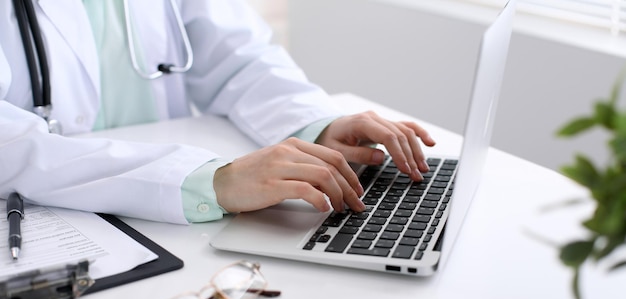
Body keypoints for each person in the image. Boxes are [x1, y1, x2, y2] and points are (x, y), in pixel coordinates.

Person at [0, 0, 435, 224]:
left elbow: (237, 56)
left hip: (171, 217)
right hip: (43, 217)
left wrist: (316, 124)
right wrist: (207, 181)